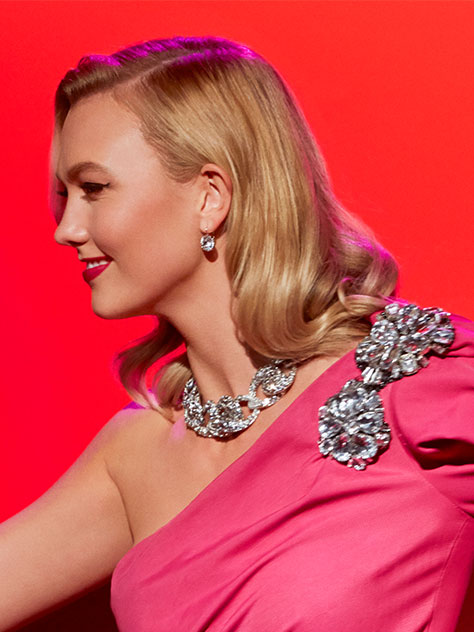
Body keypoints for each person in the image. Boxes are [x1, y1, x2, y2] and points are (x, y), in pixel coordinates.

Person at [1, 35, 473, 632]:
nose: (66, 228)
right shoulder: (136, 453)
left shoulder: (415, 380)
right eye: (65, 195)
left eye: (94, 188)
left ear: (210, 196)